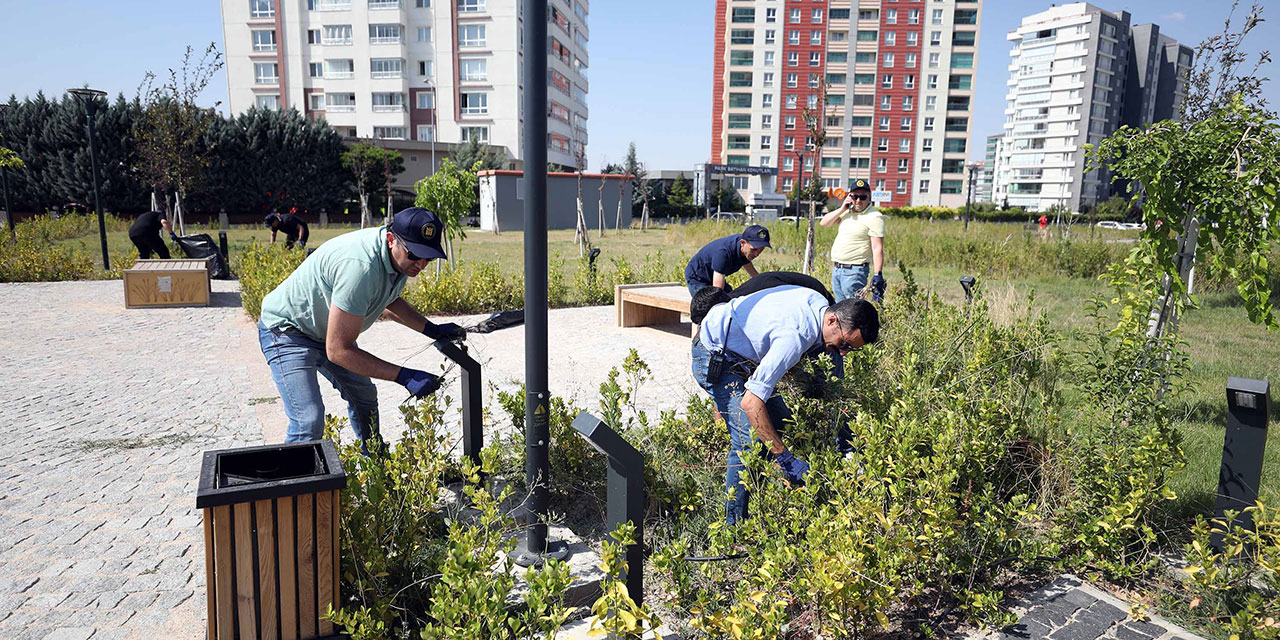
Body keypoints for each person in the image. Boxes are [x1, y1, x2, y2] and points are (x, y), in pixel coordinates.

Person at [257, 207, 466, 450]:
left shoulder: (398, 260)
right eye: (415, 255)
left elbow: (388, 299)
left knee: (364, 396)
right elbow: (338, 351)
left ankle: (375, 463)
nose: (421, 264)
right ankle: (292, 487)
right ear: (391, 240)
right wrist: (405, 376)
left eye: (428, 258)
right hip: (287, 332)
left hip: (325, 331)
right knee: (309, 422)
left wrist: (432, 330)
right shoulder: (361, 266)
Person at [692, 285, 879, 524]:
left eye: (850, 350)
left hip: (741, 355)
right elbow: (751, 403)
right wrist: (785, 458)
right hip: (712, 355)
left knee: (779, 421)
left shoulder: (818, 303)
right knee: (748, 442)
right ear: (833, 320)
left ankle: (758, 492)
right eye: (844, 344)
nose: (842, 353)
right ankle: (734, 528)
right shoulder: (795, 337)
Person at [820, 179, 886, 302]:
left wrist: (878, 274)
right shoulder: (846, 212)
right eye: (855, 196)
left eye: (863, 197)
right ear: (850, 196)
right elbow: (824, 223)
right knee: (840, 310)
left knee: (853, 310)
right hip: (837, 269)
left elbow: (877, 248)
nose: (859, 201)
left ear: (869, 197)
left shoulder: (875, 217)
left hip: (854, 271)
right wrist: (842, 208)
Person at [684, 224, 772, 296]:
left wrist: (761, 283)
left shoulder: (745, 249)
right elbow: (717, 291)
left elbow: (747, 263)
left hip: (714, 276)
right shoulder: (723, 253)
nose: (757, 254)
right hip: (698, 278)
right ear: (742, 243)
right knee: (708, 306)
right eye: (753, 250)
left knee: (732, 297)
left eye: (761, 250)